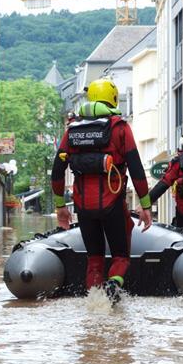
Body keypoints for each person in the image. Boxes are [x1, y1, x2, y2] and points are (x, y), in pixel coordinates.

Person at [52, 78, 152, 302]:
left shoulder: (72, 130)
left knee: (94, 259)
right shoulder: (120, 128)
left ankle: (94, 304)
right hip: (113, 203)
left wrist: (61, 206)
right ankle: (114, 285)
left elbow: (57, 171)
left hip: (83, 206)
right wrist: (146, 206)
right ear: (113, 98)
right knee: (120, 256)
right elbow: (136, 169)